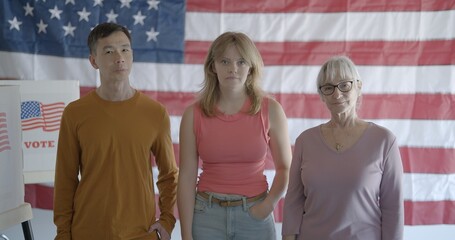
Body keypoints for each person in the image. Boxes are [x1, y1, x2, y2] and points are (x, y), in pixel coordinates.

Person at [53, 22, 178, 240]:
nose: (119, 57)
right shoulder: (75, 113)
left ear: (131, 55)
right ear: (94, 61)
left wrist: (167, 219)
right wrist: (63, 234)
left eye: (124, 49)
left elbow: (169, 175)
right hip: (87, 233)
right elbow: (65, 179)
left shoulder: (155, 113)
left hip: (141, 234)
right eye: (109, 51)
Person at [177, 32, 292, 240]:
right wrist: (186, 235)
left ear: (251, 67)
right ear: (213, 66)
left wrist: (268, 206)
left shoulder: (271, 110)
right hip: (206, 216)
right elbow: (186, 177)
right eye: (225, 61)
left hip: (255, 216)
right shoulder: (193, 114)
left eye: (241, 61)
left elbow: (286, 168)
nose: (233, 68)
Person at [282, 55, 404, 240]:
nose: (337, 94)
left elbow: (393, 208)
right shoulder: (305, 141)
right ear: (322, 95)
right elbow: (293, 201)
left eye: (344, 85)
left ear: (359, 87)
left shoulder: (384, 141)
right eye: (328, 88)